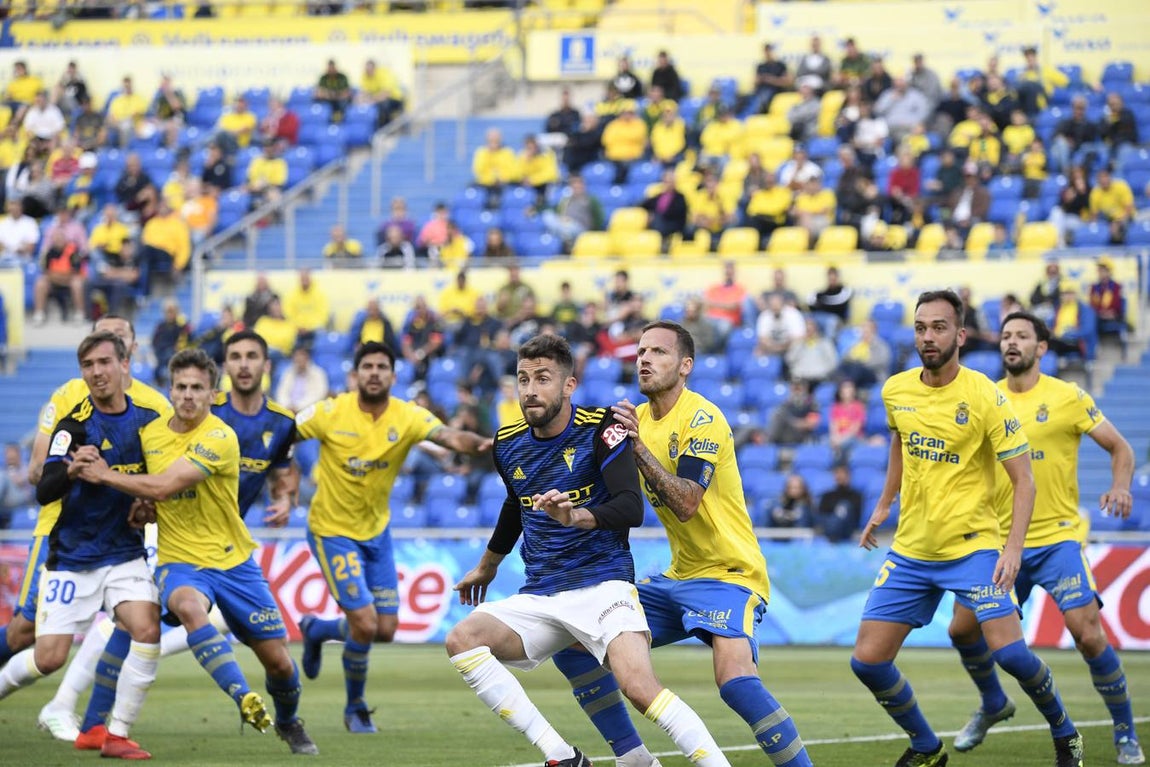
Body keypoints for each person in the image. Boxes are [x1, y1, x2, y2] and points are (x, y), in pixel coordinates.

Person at [448, 333, 734, 767]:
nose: (530, 390)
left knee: (638, 687)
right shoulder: (506, 443)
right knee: (462, 639)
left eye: (543, 378)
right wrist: (487, 566)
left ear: (568, 386)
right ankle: (562, 757)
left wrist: (578, 515)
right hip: (542, 593)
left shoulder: (604, 427)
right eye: (522, 379)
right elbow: (514, 503)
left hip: (604, 586)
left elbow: (630, 506)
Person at [554, 322, 814, 764]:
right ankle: (633, 756)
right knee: (574, 646)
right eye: (640, 352)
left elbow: (688, 501)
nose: (644, 360)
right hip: (677, 575)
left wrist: (636, 449)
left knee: (734, 682)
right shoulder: (635, 422)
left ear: (685, 365)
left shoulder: (702, 418)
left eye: (658, 352)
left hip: (730, 574)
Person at [853, 289, 1083, 767]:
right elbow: (901, 445)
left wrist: (1012, 549)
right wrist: (883, 503)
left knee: (1013, 657)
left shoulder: (984, 393)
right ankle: (926, 747)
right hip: (913, 550)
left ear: (960, 335)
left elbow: (1024, 481)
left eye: (938, 327)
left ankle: (1065, 733)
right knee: (868, 661)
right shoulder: (896, 389)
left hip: (974, 548)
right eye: (920, 327)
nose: (928, 336)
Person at [76, 348, 317, 753]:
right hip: (180, 561)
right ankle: (242, 697)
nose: (188, 395)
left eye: (197, 388)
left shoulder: (220, 437)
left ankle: (289, 720)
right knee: (184, 607)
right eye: (181, 387)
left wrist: (106, 475)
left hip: (234, 560)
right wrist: (138, 506)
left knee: (280, 664)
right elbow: (147, 488)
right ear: (170, 390)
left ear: (212, 394)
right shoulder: (150, 435)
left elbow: (165, 485)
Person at [947, 311, 1141, 764]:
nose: (1011, 342)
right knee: (960, 629)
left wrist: (1120, 486)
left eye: (1021, 336)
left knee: (1086, 634)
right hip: (998, 541)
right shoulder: (984, 398)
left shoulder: (1068, 397)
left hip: (1056, 538)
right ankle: (994, 702)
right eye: (1006, 336)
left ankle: (1126, 731)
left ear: (1041, 348)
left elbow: (1121, 448)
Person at [294, 341, 490, 733]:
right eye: (367, 366)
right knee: (365, 624)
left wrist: (488, 444)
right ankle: (356, 708)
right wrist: (280, 480)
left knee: (384, 630)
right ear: (355, 375)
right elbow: (283, 435)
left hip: (376, 532)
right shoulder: (331, 411)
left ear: (393, 375)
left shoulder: (406, 416)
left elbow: (451, 437)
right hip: (332, 530)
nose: (374, 372)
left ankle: (317, 630)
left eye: (382, 366)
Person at [0, 332, 161, 760]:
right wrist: (72, 471)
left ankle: (117, 733)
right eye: (88, 366)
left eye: (104, 362)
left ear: (124, 365)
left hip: (124, 553)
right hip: (73, 559)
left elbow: (158, 480)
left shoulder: (148, 420)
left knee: (146, 628)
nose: (96, 372)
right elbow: (44, 488)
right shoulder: (72, 425)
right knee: (48, 657)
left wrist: (145, 503)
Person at [815, 463, 863, 542]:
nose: (840, 477)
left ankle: (833, 534)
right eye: (837, 474)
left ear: (848, 476)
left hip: (847, 528)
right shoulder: (827, 495)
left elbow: (856, 515)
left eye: (843, 474)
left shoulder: (856, 496)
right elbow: (822, 513)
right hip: (828, 526)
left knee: (844, 506)